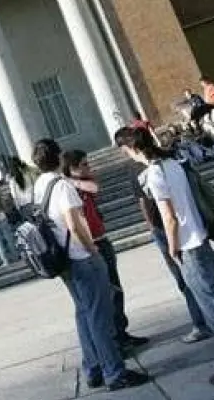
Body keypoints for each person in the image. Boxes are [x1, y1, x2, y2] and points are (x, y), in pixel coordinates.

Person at [117, 127, 214, 385]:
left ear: (131, 148)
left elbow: (169, 217)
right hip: (200, 236)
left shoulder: (154, 174)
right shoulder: (173, 163)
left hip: (187, 244)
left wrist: (172, 247)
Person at [31, 138, 150, 391]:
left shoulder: (39, 186)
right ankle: (114, 372)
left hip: (62, 260)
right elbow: (74, 224)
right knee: (99, 317)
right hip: (80, 256)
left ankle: (93, 368)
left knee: (84, 314)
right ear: (58, 157)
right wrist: (92, 249)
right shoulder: (62, 186)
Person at [61, 149, 148, 350]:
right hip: (90, 244)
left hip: (101, 239)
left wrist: (72, 180)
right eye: (84, 164)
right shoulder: (65, 190)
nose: (88, 167)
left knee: (116, 289)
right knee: (106, 294)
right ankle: (114, 339)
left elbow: (94, 187)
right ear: (72, 168)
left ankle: (121, 332)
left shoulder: (79, 183)